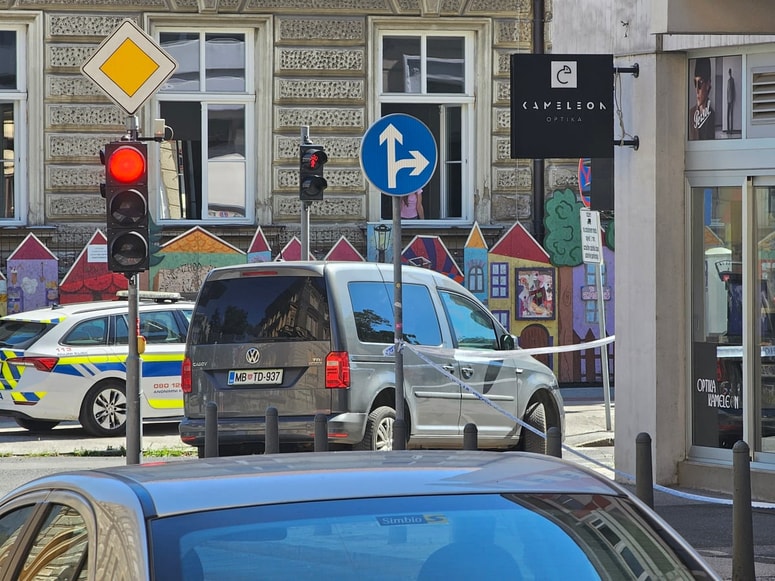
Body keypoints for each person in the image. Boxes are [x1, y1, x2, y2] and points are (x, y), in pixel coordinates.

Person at [689, 57, 715, 140]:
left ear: (708, 84)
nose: (697, 90)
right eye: (695, 83)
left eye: (700, 83)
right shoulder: (690, 115)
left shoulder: (713, 115)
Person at [726, 67, 736, 133]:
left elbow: (733, 90)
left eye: (730, 72)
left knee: (731, 115)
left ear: (731, 72)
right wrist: (727, 99)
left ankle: (731, 130)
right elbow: (727, 91)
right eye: (729, 72)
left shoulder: (732, 80)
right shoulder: (728, 81)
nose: (729, 73)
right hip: (728, 100)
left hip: (731, 100)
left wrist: (733, 98)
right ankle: (728, 129)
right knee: (728, 114)